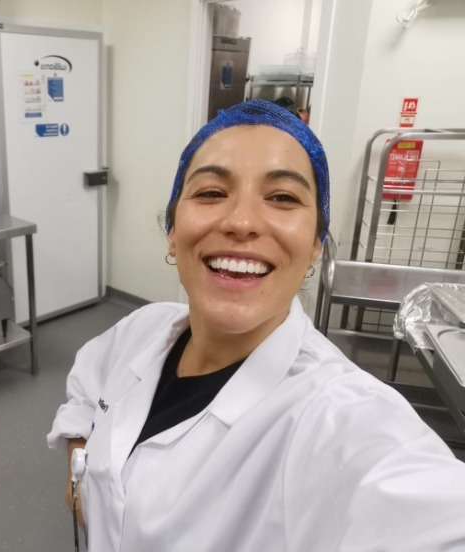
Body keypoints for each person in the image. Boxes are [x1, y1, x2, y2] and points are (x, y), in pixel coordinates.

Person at [47, 99, 465, 551]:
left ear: (314, 246)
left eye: (282, 197)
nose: (241, 222)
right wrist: (80, 469)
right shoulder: (143, 329)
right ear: (173, 230)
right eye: (210, 193)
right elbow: (87, 389)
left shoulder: (343, 418)